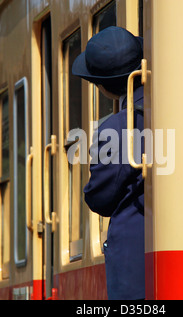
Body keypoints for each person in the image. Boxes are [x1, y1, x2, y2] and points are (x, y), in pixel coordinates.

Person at [72, 26, 145, 300]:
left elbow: (100, 198)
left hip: (135, 270)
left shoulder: (116, 128)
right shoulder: (178, 111)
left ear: (101, 87)